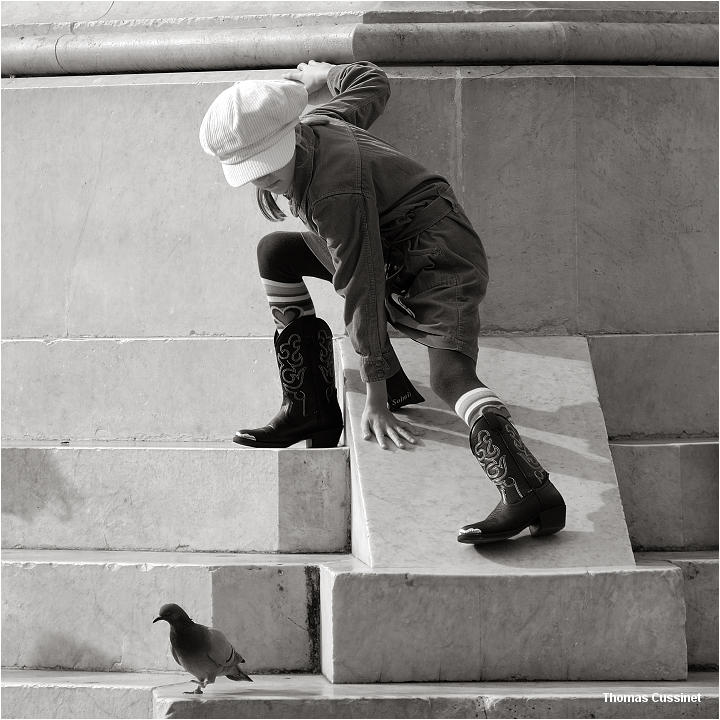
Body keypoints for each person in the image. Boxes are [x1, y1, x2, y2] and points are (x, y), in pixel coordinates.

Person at [199, 60, 566, 544]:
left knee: (449, 377)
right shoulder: (319, 122)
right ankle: (310, 405)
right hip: (392, 251)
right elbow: (371, 82)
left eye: (267, 168)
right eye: (251, 172)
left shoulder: (334, 191)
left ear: (289, 137)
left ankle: (530, 492)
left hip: (439, 261)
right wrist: (326, 76)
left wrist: (376, 398)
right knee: (277, 253)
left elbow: (362, 284)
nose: (260, 180)